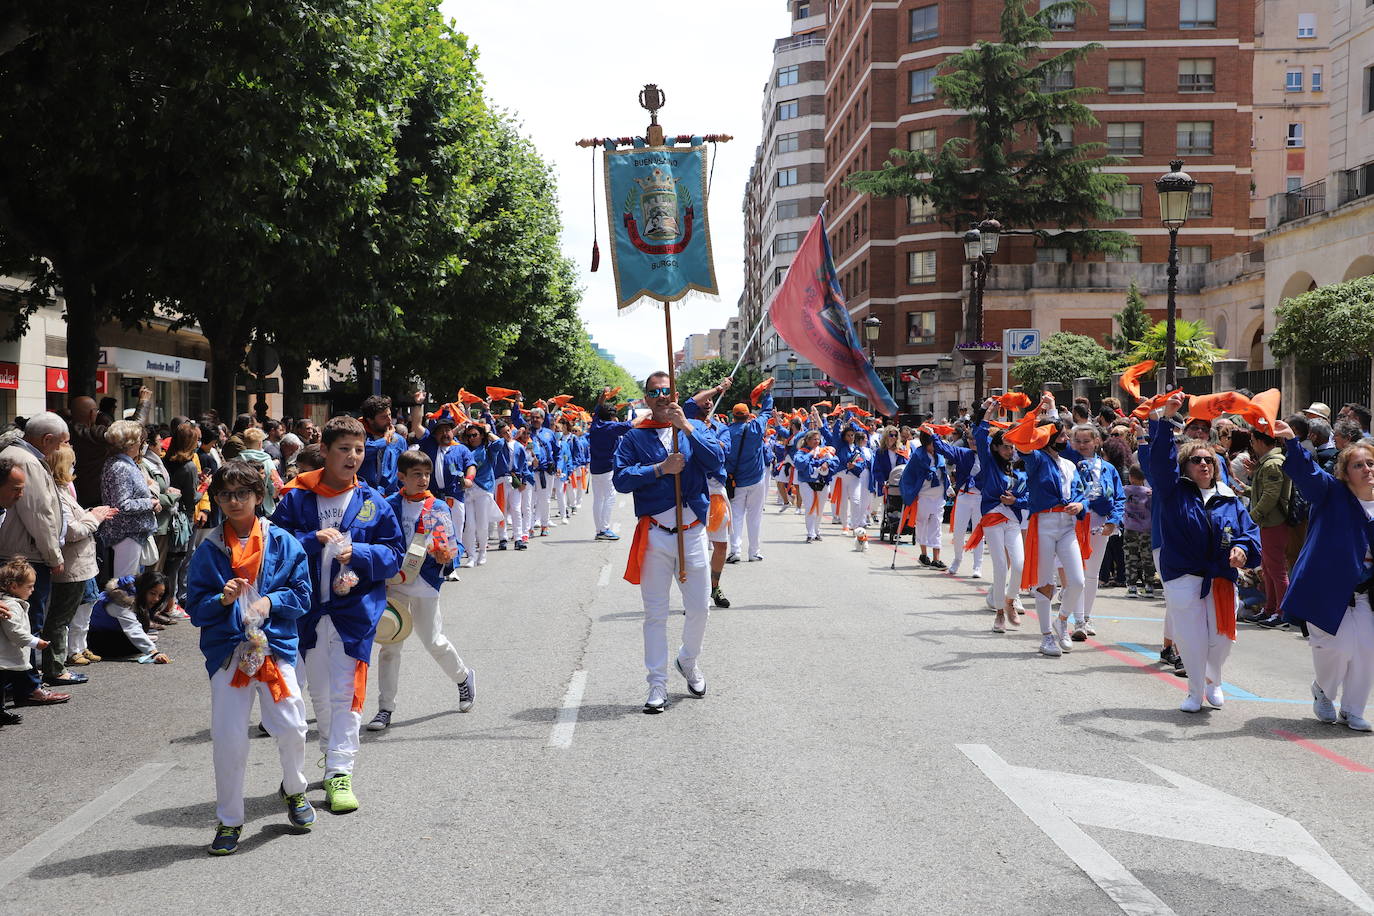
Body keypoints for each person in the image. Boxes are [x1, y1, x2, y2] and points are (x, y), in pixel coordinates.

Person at [271, 416, 403, 813]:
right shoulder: (296, 498)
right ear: (324, 452)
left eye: (359, 449)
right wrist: (312, 540)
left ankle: (340, 770)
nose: (353, 457)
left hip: (354, 614)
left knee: (347, 693)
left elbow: (394, 554)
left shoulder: (372, 501)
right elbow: (274, 547)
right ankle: (330, 757)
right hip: (307, 614)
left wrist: (359, 553)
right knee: (318, 694)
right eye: (344, 449)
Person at [187, 460, 315, 855]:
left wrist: (270, 601)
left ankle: (294, 788)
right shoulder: (208, 548)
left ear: (259, 497)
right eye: (225, 494)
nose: (233, 501)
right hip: (229, 654)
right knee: (228, 739)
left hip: (274, 648)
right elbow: (196, 608)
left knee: (292, 725)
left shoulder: (284, 542)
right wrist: (222, 600)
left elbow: (303, 596)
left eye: (243, 493)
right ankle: (229, 820)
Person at [613, 371, 724, 714]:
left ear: (675, 393)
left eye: (667, 390)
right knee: (655, 614)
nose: (661, 396)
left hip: (692, 532)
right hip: (655, 535)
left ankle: (688, 661)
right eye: (654, 392)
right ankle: (656, 685)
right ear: (646, 398)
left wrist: (687, 427)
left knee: (700, 608)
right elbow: (621, 478)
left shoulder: (693, 428)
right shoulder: (633, 437)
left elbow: (717, 462)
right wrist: (660, 469)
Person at [1147, 393, 1260, 713]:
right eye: (1196, 460)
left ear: (1216, 465)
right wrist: (1165, 420)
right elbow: (1158, 462)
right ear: (1185, 466)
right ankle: (1195, 691)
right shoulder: (1173, 492)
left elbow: (1248, 531)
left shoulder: (1227, 497)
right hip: (1182, 575)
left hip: (1222, 577)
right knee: (1192, 638)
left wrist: (1241, 549)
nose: (1203, 464)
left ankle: (1215, 677)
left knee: (1221, 640)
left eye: (1208, 460)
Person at [1274, 419, 1374, 730]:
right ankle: (1324, 691)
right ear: (1345, 473)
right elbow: (1307, 474)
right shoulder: (1330, 493)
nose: (1367, 469)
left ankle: (1354, 709)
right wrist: (1292, 442)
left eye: (1371, 463)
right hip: (1324, 589)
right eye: (1359, 465)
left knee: (1366, 652)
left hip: (1366, 594)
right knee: (1337, 647)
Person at [367, 450, 473, 732]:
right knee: (390, 646)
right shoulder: (388, 504)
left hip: (425, 582)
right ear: (401, 476)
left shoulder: (438, 506)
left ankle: (463, 678)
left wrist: (447, 557)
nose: (424, 479)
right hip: (394, 584)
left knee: (433, 641)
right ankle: (385, 708)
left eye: (426, 474)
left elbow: (455, 547)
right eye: (417, 474)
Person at [1006, 394, 1086, 658]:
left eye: (1066, 436)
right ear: (1050, 437)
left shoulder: (1070, 465)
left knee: (1077, 580)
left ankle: (1062, 620)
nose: (1066, 440)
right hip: (1043, 523)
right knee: (1044, 583)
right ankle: (1046, 636)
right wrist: (1041, 413)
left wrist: (1080, 505)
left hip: (1066, 524)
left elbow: (1082, 492)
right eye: (1061, 436)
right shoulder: (1037, 460)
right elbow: (1021, 440)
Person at [0, 412, 71, 704]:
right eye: (60, 444)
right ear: (47, 439)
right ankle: (29, 687)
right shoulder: (26, 460)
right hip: (27, 554)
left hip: (21, 550)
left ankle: (17, 685)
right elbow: (39, 514)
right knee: (27, 622)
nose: (60, 451)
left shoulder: (17, 454)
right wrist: (53, 555)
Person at [45, 445, 117, 684]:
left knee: (83, 606)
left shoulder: (63, 489)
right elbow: (71, 530)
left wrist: (91, 514)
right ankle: (58, 665)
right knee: (61, 617)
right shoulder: (55, 492)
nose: (75, 467)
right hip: (71, 563)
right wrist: (94, 517)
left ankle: (74, 651)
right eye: (72, 463)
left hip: (81, 562)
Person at [968, 403, 1027, 631]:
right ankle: (1000, 613)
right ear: (995, 448)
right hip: (992, 518)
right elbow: (980, 436)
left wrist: (1016, 501)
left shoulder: (1019, 468)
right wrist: (987, 414)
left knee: (1019, 564)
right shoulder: (990, 462)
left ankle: (1010, 600)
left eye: (1012, 447)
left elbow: (1028, 495)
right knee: (1001, 566)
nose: (1009, 451)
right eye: (1005, 447)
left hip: (1012, 519)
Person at [1069, 424, 1125, 641]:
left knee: (1092, 574)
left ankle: (1086, 616)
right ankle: (1078, 619)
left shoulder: (1108, 468)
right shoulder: (1068, 464)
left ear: (1097, 442)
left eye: (1086, 441)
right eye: (1078, 441)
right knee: (1077, 574)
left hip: (1100, 523)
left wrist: (1113, 521)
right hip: (1074, 522)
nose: (1082, 445)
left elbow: (1119, 498)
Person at [69, 387, 152, 508]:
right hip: (95, 500)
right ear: (92, 413)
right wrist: (143, 403)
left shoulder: (65, 431)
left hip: (76, 496)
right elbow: (131, 431)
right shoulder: (92, 434)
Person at [720, 385, 774, 562]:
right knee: (755, 517)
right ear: (748, 415)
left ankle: (735, 550)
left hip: (736, 482)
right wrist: (767, 393)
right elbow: (766, 411)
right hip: (757, 480)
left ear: (733, 416)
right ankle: (754, 552)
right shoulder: (756, 427)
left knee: (736, 516)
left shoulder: (726, 432)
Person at [99, 420, 159, 578]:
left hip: (131, 533)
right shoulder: (121, 466)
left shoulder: (123, 463)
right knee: (125, 585)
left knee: (129, 583)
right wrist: (150, 503)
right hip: (126, 534)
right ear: (130, 444)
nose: (142, 443)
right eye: (139, 440)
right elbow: (123, 505)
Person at [1247, 429, 1293, 629]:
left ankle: (1283, 613)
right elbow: (1265, 492)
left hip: (1274, 522)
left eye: (1253, 440)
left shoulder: (1273, 463)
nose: (1252, 445)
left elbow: (1271, 496)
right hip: (1269, 522)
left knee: (1276, 569)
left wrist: (1252, 517)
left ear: (1260, 441)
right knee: (1268, 568)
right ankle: (1271, 609)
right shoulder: (1267, 462)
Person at [0, 558, 51, 722]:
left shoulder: (12, 602)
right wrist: (35, 642)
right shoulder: (12, 606)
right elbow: (14, 630)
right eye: (29, 586)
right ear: (14, 587)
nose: (33, 590)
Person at [88, 572, 171, 663]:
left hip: (106, 630)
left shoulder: (134, 587)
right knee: (134, 646)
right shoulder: (121, 599)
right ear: (144, 588)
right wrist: (154, 652)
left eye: (160, 595)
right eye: (152, 593)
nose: (156, 599)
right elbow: (133, 628)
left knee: (139, 638)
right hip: (93, 636)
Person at [899, 427, 951, 569]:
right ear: (925, 442)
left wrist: (949, 487)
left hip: (939, 495)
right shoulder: (918, 456)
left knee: (936, 526)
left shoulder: (939, 455)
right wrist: (909, 491)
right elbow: (908, 475)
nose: (934, 447)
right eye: (931, 444)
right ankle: (923, 554)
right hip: (924, 496)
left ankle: (936, 558)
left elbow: (943, 473)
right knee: (922, 524)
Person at [588, 397, 632, 541]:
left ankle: (599, 529)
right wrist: (648, 415)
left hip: (594, 468)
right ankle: (604, 529)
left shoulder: (595, 424)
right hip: (607, 468)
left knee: (598, 499)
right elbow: (632, 424)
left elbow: (598, 407)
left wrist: (602, 396)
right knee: (610, 497)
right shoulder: (611, 427)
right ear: (612, 416)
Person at [793, 430, 838, 544]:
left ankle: (817, 531)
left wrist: (827, 463)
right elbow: (799, 464)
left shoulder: (825, 450)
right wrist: (810, 454)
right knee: (810, 508)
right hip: (807, 483)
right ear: (807, 440)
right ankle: (810, 533)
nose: (817, 441)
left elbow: (836, 461)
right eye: (814, 439)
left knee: (820, 509)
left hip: (822, 483)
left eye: (818, 439)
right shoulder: (801, 452)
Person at [1122, 465, 1157, 599]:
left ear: (1130, 477)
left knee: (1130, 557)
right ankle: (1149, 586)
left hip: (1130, 528)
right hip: (1147, 529)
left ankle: (1131, 586)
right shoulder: (1149, 493)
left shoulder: (1125, 490)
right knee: (1147, 557)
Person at [358, 395, 404, 496]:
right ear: (370, 420)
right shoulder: (359, 436)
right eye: (383, 417)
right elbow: (363, 451)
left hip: (391, 497)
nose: (389, 420)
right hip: (365, 494)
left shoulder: (399, 440)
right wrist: (384, 441)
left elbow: (405, 468)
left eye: (390, 415)